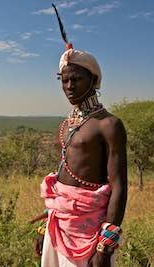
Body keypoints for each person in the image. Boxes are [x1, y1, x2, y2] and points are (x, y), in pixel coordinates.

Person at [32, 47, 128, 267]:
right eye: (64, 80)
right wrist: (44, 228)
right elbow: (59, 182)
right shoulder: (66, 125)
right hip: (57, 228)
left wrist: (105, 247)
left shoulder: (109, 125)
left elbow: (119, 187)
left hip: (90, 234)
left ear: (93, 80)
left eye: (76, 79)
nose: (69, 87)